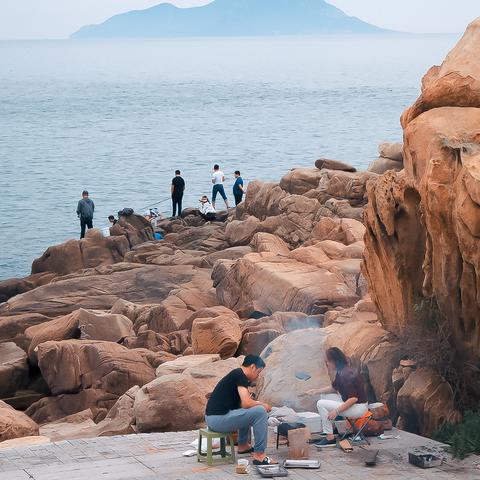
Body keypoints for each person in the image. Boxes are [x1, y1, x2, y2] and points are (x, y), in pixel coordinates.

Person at [205, 355, 276, 466]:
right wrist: (263, 405)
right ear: (252, 367)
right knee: (260, 412)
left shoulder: (237, 374)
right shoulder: (240, 375)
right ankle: (259, 454)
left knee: (249, 410)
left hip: (213, 418)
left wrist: (255, 404)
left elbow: (244, 405)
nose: (258, 376)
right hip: (217, 420)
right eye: (258, 372)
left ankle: (243, 445)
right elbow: (247, 403)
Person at [310, 347, 369, 446]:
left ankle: (330, 438)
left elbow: (353, 399)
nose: (327, 364)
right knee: (323, 396)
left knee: (321, 404)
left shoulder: (346, 375)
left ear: (334, 361)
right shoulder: (342, 370)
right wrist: (315, 391)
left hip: (358, 408)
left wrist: (336, 411)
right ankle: (332, 429)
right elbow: (334, 388)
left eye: (327, 361)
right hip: (353, 403)